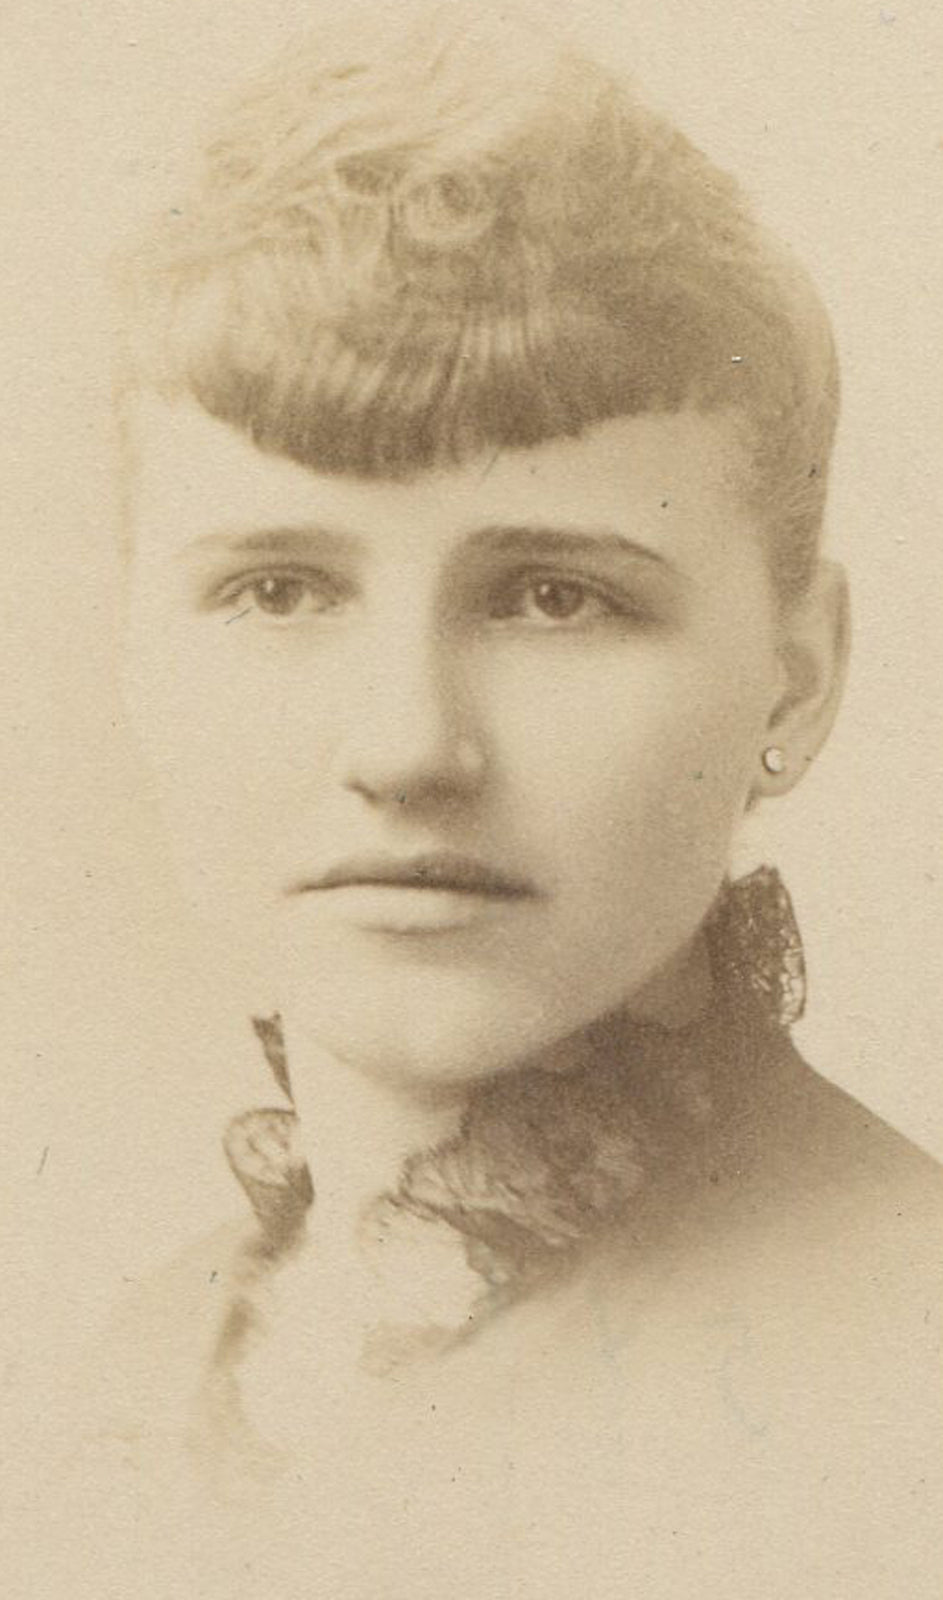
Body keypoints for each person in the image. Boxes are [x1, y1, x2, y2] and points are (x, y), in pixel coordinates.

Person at [35, 4, 942, 1595]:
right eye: (276, 591)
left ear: (795, 682)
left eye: (554, 599)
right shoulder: (108, 1392)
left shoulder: (902, 1382)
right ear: (132, 650)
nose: (408, 744)